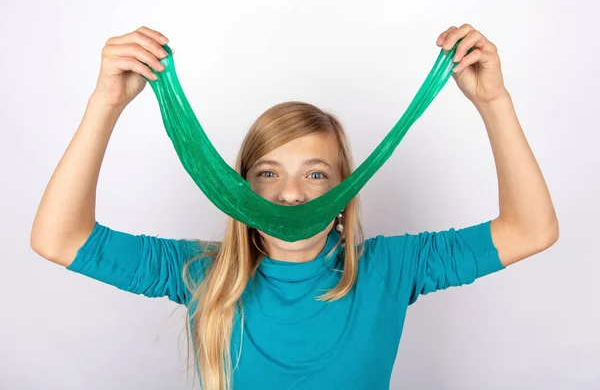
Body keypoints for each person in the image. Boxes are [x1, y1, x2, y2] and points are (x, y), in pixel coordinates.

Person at [30, 24, 558, 390]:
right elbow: (59, 240)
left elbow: (531, 230)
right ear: (240, 192)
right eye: (267, 174)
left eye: (316, 174)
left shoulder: (393, 269)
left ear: (341, 197)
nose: (291, 194)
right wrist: (105, 104)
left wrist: (494, 102)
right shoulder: (199, 272)